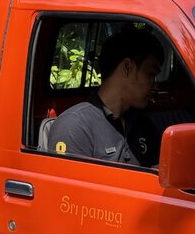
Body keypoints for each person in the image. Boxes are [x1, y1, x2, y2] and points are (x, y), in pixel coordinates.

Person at [49, 27, 163, 166]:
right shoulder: (75, 126)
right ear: (128, 67)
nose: (155, 86)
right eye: (151, 74)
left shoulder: (144, 126)